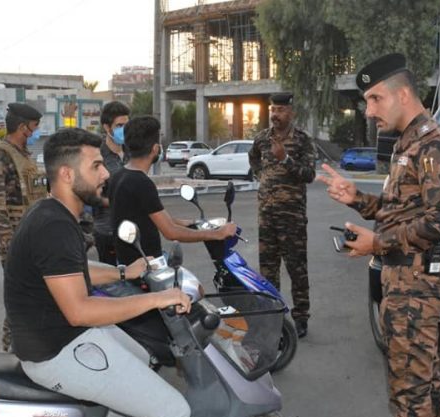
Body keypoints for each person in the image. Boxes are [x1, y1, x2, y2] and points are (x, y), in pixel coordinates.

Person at [4, 127, 192, 417]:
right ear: (67, 174)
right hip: (55, 352)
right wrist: (157, 299)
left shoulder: (53, 212)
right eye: (96, 166)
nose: (106, 173)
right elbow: (80, 311)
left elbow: (73, 270)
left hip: (62, 335)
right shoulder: (54, 226)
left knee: (142, 356)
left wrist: (124, 272)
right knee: (173, 413)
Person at [318, 53, 440, 417]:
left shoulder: (435, 145)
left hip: (418, 287)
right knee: (420, 385)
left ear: (402, 95)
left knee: (410, 394)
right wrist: (356, 198)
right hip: (403, 281)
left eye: (375, 99)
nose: (368, 111)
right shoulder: (407, 143)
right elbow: (399, 210)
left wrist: (377, 243)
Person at [109, 116, 237, 266]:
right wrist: (217, 234)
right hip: (146, 265)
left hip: (126, 262)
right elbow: (170, 232)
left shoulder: (118, 176)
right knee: (191, 282)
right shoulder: (141, 183)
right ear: (155, 149)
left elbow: (149, 216)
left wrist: (191, 223)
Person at [248, 92, 316, 338]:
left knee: (297, 270)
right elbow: (253, 159)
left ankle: (301, 317)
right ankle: (273, 316)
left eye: (280, 110)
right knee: (268, 271)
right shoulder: (261, 139)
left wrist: (285, 159)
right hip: (267, 215)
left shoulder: (302, 140)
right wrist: (262, 175)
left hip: (292, 218)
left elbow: (309, 174)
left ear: (291, 112)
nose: (275, 115)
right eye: (273, 110)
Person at [0, 102, 46, 351]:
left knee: (31, 297)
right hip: (17, 242)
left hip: (34, 238)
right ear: (23, 127)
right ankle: (9, 350)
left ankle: (23, 347)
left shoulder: (24, 156)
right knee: (20, 298)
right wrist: (9, 242)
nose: (36, 131)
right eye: (34, 126)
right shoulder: (1, 154)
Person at [89, 101, 131, 265]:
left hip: (131, 228)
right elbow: (91, 196)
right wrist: (116, 202)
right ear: (107, 127)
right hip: (107, 231)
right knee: (112, 276)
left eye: (127, 125)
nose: (124, 130)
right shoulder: (97, 155)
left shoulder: (132, 151)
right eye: (119, 125)